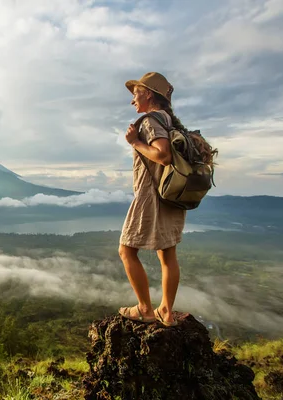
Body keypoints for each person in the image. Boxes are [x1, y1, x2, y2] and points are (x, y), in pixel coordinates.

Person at [118, 72, 186, 327]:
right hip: (171, 195)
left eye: (136, 93)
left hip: (151, 197)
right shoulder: (170, 121)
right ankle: (166, 313)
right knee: (167, 254)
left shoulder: (149, 122)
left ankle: (146, 310)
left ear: (147, 93)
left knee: (126, 250)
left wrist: (135, 142)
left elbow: (163, 155)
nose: (132, 100)